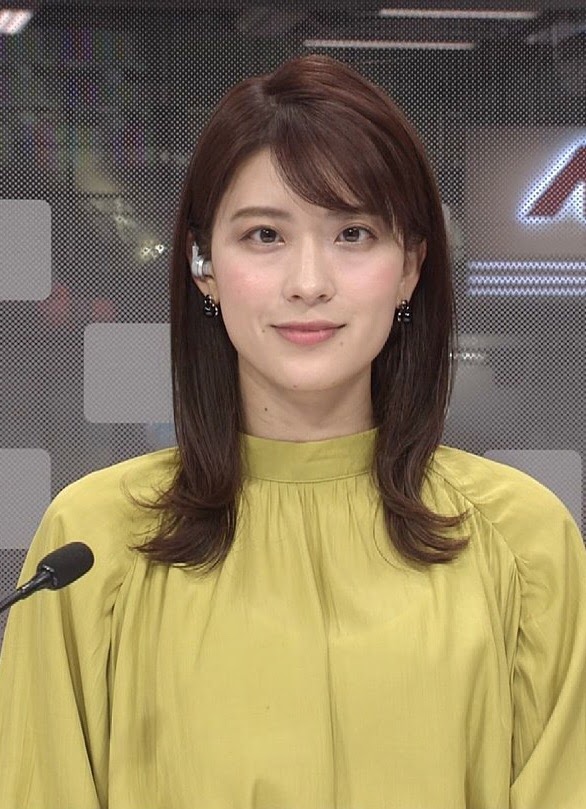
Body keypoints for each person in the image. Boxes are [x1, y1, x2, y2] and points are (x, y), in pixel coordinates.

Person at [0, 54, 584, 809]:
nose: (309, 283)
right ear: (205, 266)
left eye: (353, 233)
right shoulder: (91, 545)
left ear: (411, 266)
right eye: (265, 235)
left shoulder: (526, 541)